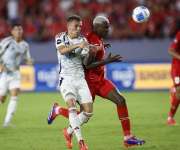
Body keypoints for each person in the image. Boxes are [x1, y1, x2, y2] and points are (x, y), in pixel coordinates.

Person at [48, 15, 145, 148]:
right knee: (84, 114)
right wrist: (107, 60)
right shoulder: (87, 39)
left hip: (100, 79)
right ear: (97, 27)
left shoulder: (97, 38)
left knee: (120, 100)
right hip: (89, 82)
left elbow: (93, 48)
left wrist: (102, 46)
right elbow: (87, 64)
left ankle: (128, 137)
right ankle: (59, 111)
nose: (107, 29)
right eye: (105, 27)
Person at [53, 15, 95, 150]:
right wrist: (78, 45)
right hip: (66, 78)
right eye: (76, 26)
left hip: (80, 79)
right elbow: (63, 51)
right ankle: (81, 142)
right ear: (69, 25)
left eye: (80, 26)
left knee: (88, 113)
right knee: (72, 106)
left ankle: (68, 131)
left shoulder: (84, 40)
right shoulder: (60, 37)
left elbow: (86, 63)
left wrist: (91, 52)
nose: (78, 29)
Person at [0, 23, 33, 127]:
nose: (19, 32)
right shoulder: (6, 42)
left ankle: (7, 122)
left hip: (16, 73)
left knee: (14, 94)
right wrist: (1, 65)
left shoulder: (25, 45)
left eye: (20, 30)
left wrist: (29, 62)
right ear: (12, 32)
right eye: (16, 30)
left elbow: (28, 58)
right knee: (2, 98)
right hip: (5, 73)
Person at [167, 30, 180, 125]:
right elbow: (170, 51)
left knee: (178, 93)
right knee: (179, 91)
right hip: (177, 67)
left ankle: (174, 91)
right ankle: (170, 117)